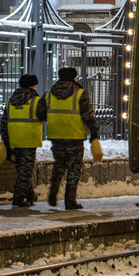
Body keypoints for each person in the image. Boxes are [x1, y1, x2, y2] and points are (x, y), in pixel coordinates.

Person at [44, 66, 100, 210]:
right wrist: (94, 133)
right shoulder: (80, 93)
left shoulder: (49, 94)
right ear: (75, 77)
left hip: (56, 135)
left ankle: (53, 193)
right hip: (74, 136)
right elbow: (88, 116)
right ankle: (70, 201)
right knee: (74, 168)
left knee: (59, 164)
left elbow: (40, 113)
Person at [0, 73, 45, 208]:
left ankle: (30, 196)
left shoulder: (11, 101)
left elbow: (4, 123)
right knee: (25, 172)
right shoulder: (36, 101)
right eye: (35, 85)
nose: (36, 88)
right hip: (29, 140)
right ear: (32, 86)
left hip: (15, 140)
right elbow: (45, 116)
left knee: (23, 170)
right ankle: (18, 199)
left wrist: (6, 142)